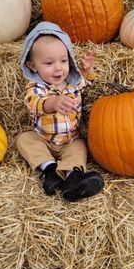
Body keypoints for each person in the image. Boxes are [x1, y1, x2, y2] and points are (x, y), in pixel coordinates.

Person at [17, 22, 103, 202]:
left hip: (70, 139)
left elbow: (90, 85)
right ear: (33, 65)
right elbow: (36, 103)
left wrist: (88, 71)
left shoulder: (74, 82)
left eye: (64, 61)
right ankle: (50, 171)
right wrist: (53, 103)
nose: (58, 67)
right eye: (49, 63)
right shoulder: (36, 87)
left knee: (80, 148)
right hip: (44, 139)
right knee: (24, 140)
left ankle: (73, 179)